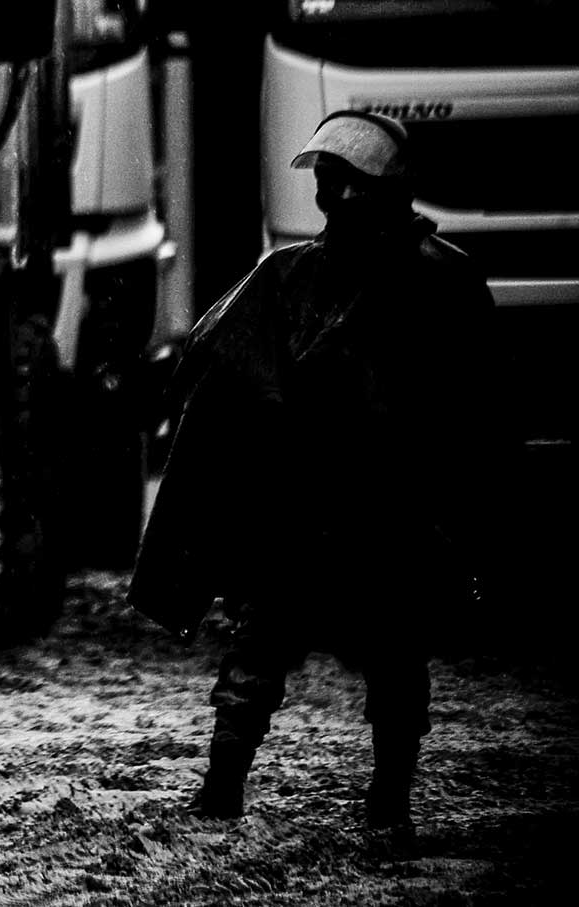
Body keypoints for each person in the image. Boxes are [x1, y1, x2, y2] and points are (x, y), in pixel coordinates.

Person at [130, 109, 494, 835]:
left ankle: (390, 800)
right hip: (293, 512)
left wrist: (469, 527)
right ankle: (223, 782)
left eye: (350, 183)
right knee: (257, 655)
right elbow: (216, 370)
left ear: (385, 190)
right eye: (329, 183)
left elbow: (478, 415)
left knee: (396, 666)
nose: (336, 198)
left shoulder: (444, 282)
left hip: (391, 515)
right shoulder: (284, 276)